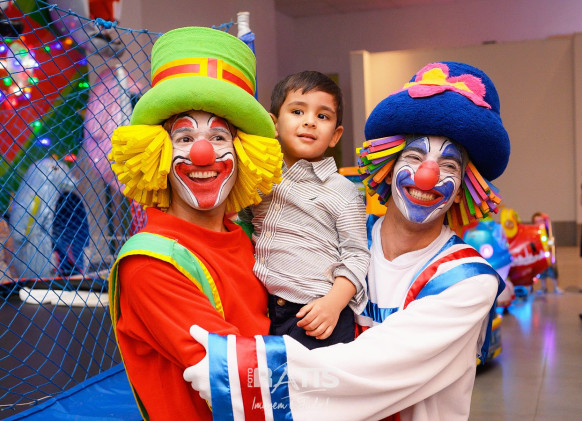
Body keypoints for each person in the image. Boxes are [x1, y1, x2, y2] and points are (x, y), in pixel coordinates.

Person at [184, 61, 510, 421]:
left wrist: (238, 372)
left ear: (464, 187)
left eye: (448, 167)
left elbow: (372, 365)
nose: (426, 176)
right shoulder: (334, 238)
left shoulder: (467, 281)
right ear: (388, 166)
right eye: (414, 157)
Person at [107, 27, 283, 420]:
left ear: (245, 154)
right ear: (156, 153)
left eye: (219, 137)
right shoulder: (150, 263)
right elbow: (237, 375)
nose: (203, 154)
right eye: (184, 138)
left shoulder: (248, 236)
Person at [238, 71, 369, 349]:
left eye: (323, 116)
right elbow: (243, 224)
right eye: (298, 111)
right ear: (274, 124)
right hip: (265, 311)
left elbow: (357, 255)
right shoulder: (260, 180)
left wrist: (333, 304)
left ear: (335, 135)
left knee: (319, 378)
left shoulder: (343, 192)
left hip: (317, 314)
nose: (310, 121)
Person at [531, 211, 562, 293]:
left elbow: (552, 241)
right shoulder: (534, 232)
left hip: (549, 254)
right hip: (540, 256)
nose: (539, 223)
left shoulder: (548, 231)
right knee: (542, 272)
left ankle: (556, 287)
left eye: (541, 221)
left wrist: (552, 250)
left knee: (553, 271)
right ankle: (543, 287)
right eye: (537, 221)